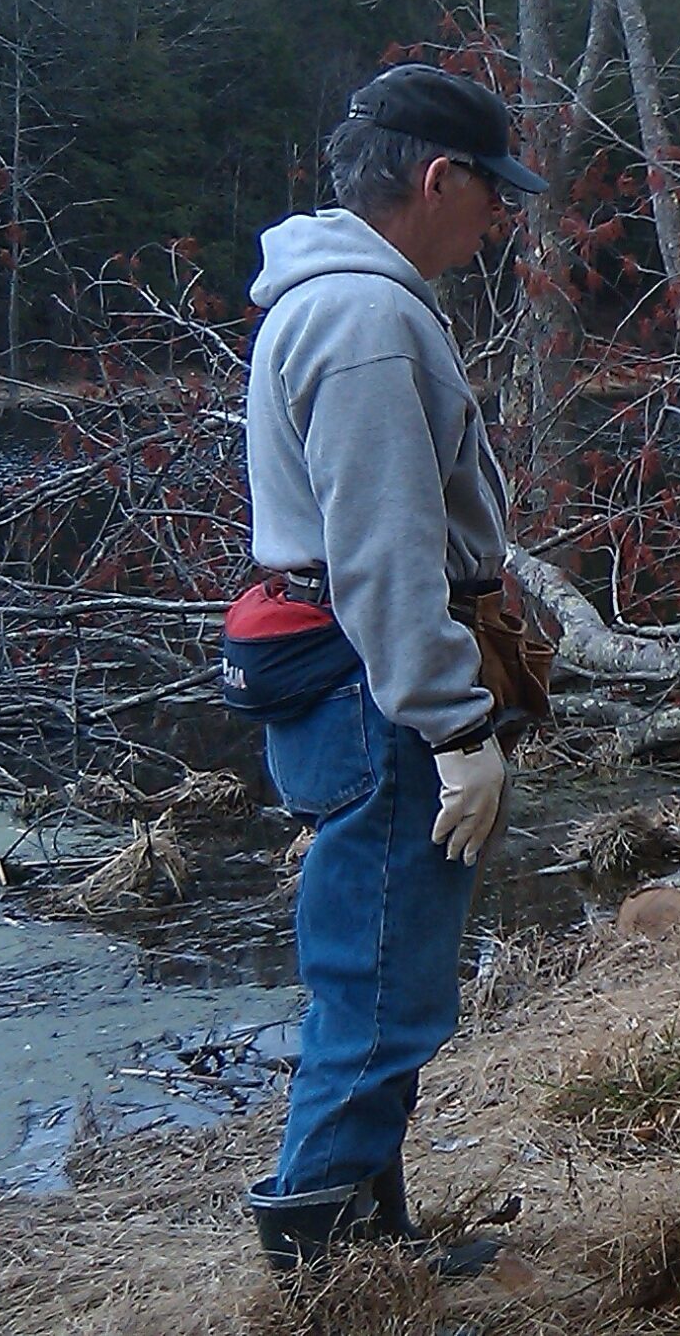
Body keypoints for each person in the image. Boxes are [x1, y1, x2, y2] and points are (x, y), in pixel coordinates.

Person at [236, 64, 546, 1273]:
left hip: (348, 681)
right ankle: (323, 1272)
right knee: (381, 981)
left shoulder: (344, 301)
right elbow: (381, 558)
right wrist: (453, 730)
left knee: (377, 958)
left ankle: (373, 1237)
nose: (497, 216)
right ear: (437, 177)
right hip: (373, 690)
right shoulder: (365, 322)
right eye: (491, 192)